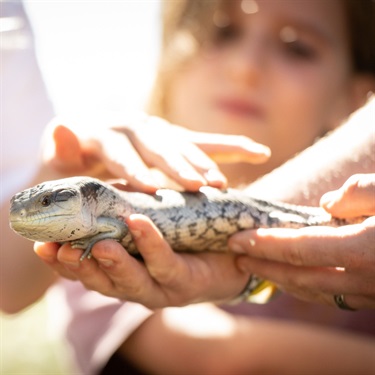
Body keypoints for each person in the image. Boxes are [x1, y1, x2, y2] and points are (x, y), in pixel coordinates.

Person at [5, 0, 375, 373]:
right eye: (221, 31)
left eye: (297, 47)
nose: (244, 68)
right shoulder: (90, 243)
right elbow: (223, 358)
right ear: (169, 64)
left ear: (360, 98)